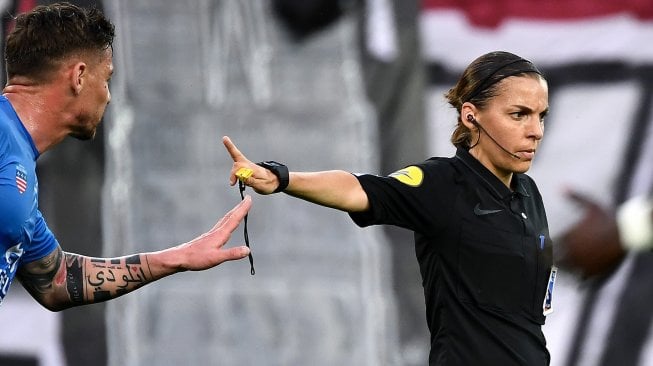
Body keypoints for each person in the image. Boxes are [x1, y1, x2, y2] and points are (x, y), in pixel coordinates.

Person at [223, 50, 553, 365]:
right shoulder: (442, 184)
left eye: (541, 116)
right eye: (519, 114)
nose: (536, 131)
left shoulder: (529, 193)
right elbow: (360, 188)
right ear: (471, 115)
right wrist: (282, 178)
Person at [0, 2, 253, 310]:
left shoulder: (21, 168)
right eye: (106, 79)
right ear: (79, 76)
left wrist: (180, 257)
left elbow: (57, 279)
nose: (108, 95)